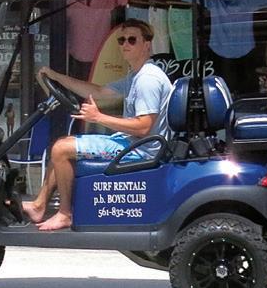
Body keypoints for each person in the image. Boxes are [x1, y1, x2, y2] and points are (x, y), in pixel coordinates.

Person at [22, 19, 172, 231]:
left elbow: (143, 127)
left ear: (147, 44)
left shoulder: (148, 79)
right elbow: (99, 92)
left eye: (132, 40)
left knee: (61, 149)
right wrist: (57, 77)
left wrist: (98, 117)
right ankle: (39, 205)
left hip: (141, 150)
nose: (125, 44)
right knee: (63, 144)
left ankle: (65, 214)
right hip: (133, 143)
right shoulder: (136, 75)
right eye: (121, 40)